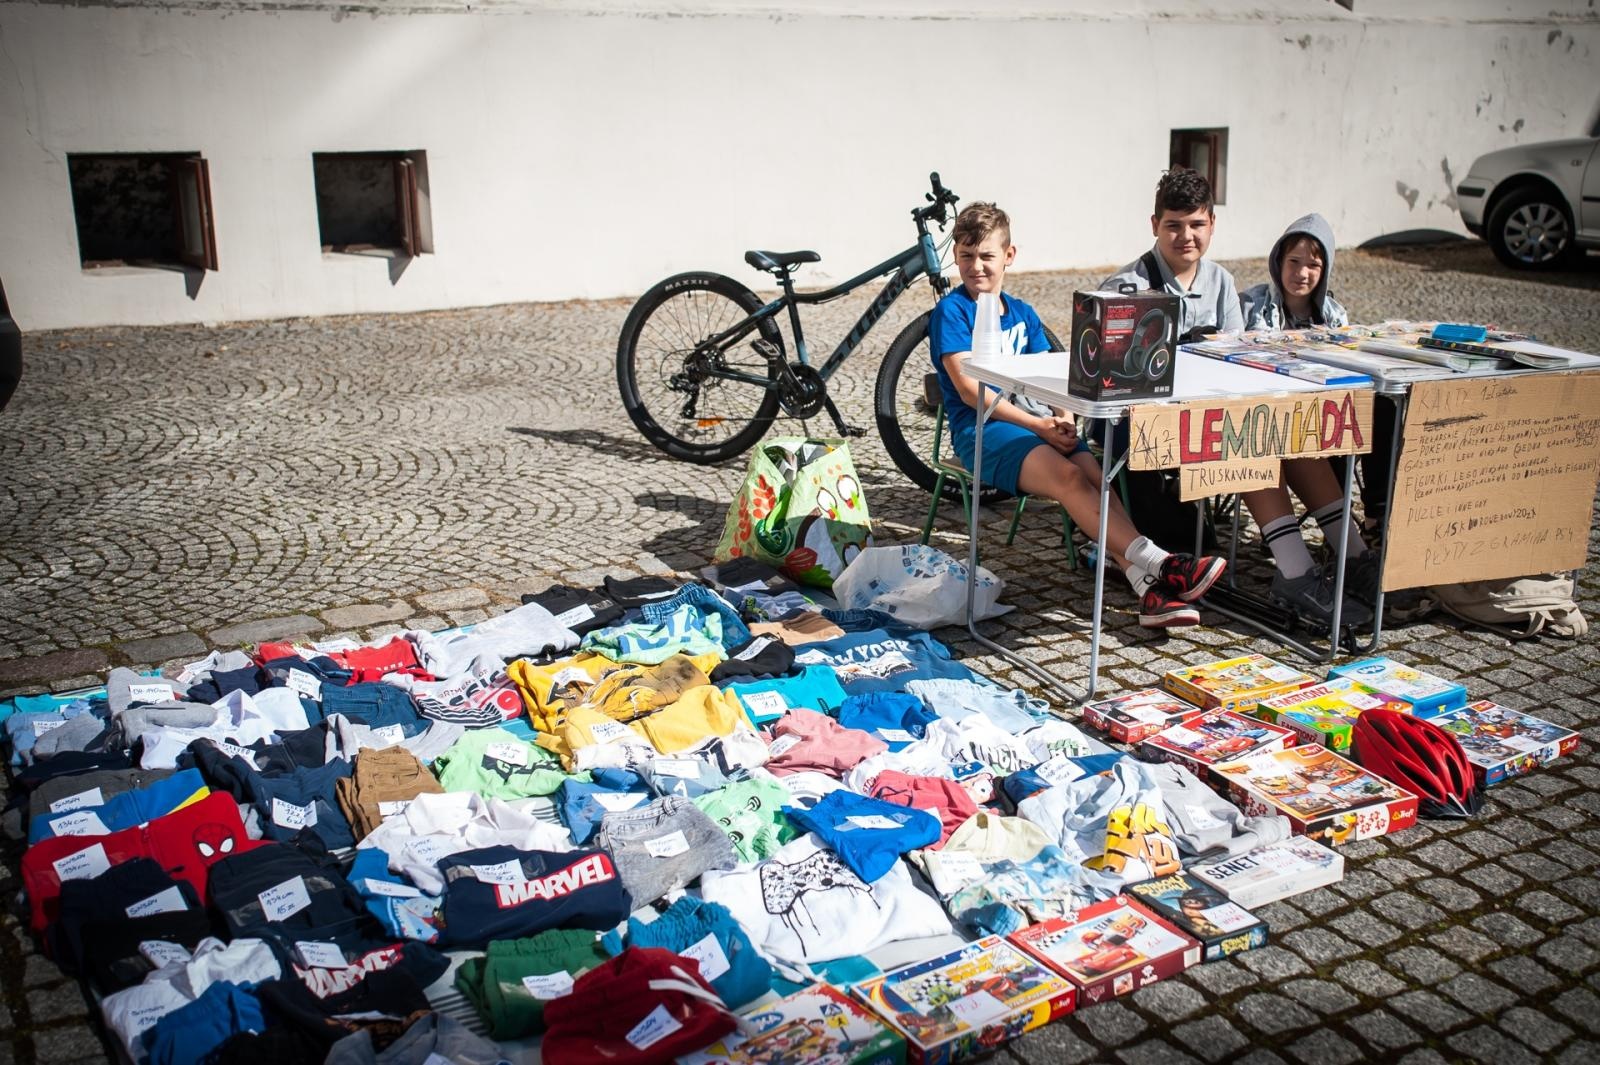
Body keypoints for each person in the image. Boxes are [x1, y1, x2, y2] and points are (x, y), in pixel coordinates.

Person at [928, 201, 1226, 629]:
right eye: (966, 256)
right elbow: (969, 389)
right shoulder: (952, 312)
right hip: (984, 430)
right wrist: (1039, 426)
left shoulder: (1024, 314)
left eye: (986, 256)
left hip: (1039, 428)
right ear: (955, 256)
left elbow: (1055, 376)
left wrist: (1063, 419)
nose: (976, 266)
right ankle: (1163, 563)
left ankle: (1149, 591)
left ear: (1009, 256)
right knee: (1070, 479)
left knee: (1096, 477)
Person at [1234, 215, 1381, 622]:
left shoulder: (1333, 313)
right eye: (1294, 262)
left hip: (1305, 423)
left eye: (1313, 265)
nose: (1301, 273)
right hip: (1247, 418)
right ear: (1278, 261)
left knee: (1302, 442)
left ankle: (1353, 558)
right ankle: (1297, 572)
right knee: (1263, 442)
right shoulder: (1249, 304)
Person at [1101, 167, 1243, 340]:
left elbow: (1237, 351)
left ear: (1212, 224)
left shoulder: (1222, 283)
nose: (1186, 236)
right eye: (1174, 226)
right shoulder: (1123, 291)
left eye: (1197, 225)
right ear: (1155, 226)